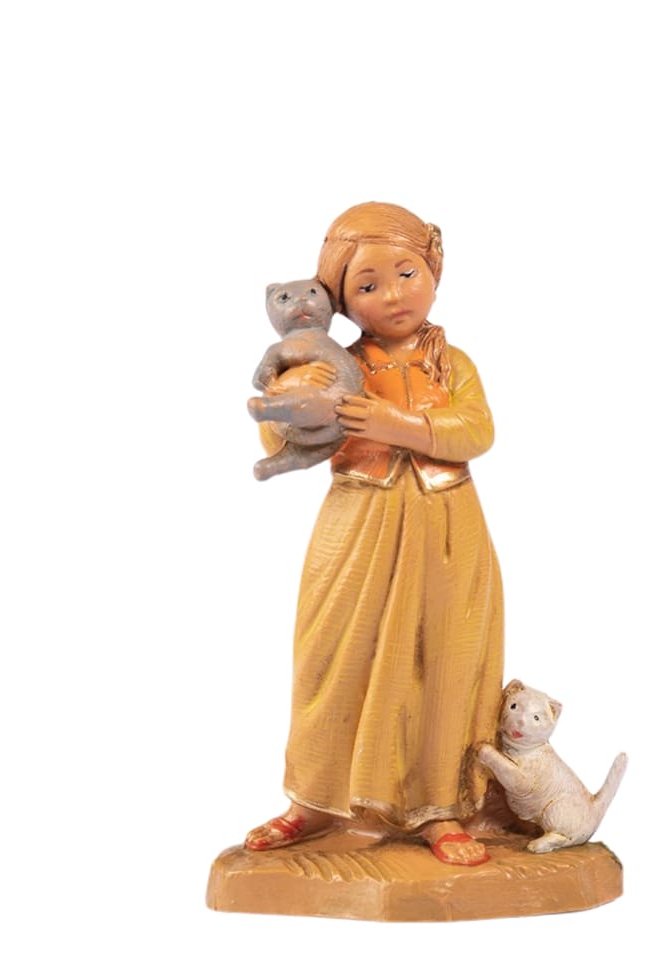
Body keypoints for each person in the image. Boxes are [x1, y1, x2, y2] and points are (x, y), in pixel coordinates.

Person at [246, 202, 504, 866]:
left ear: (434, 271)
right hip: (357, 522)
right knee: (331, 655)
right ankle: (315, 799)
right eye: (367, 284)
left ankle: (438, 806)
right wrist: (285, 393)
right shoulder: (333, 362)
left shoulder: (452, 363)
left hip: (446, 526)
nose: (392, 295)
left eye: (406, 273)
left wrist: (398, 426)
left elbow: (477, 430)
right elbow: (280, 439)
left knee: (442, 661)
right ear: (338, 299)